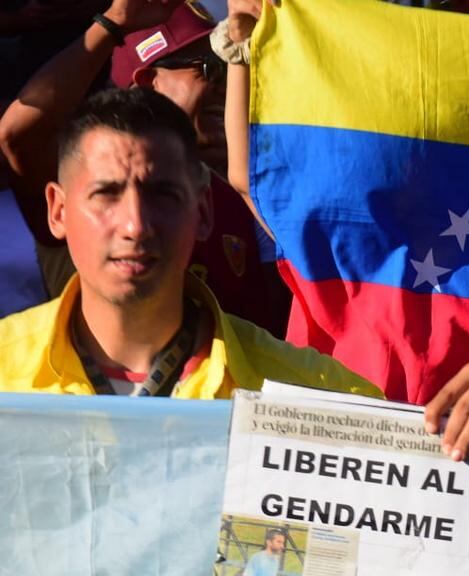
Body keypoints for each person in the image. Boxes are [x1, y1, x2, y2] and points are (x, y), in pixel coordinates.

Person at [0, 87, 469, 475]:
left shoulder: (317, 396)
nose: (135, 224)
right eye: (106, 194)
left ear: (204, 212)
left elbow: (430, 536)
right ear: (57, 211)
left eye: (163, 194)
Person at [0, 0, 292, 336]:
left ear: (202, 208)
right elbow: (19, 136)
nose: (136, 225)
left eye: (232, 64)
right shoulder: (82, 179)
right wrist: (111, 25)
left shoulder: (245, 192)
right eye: (210, 68)